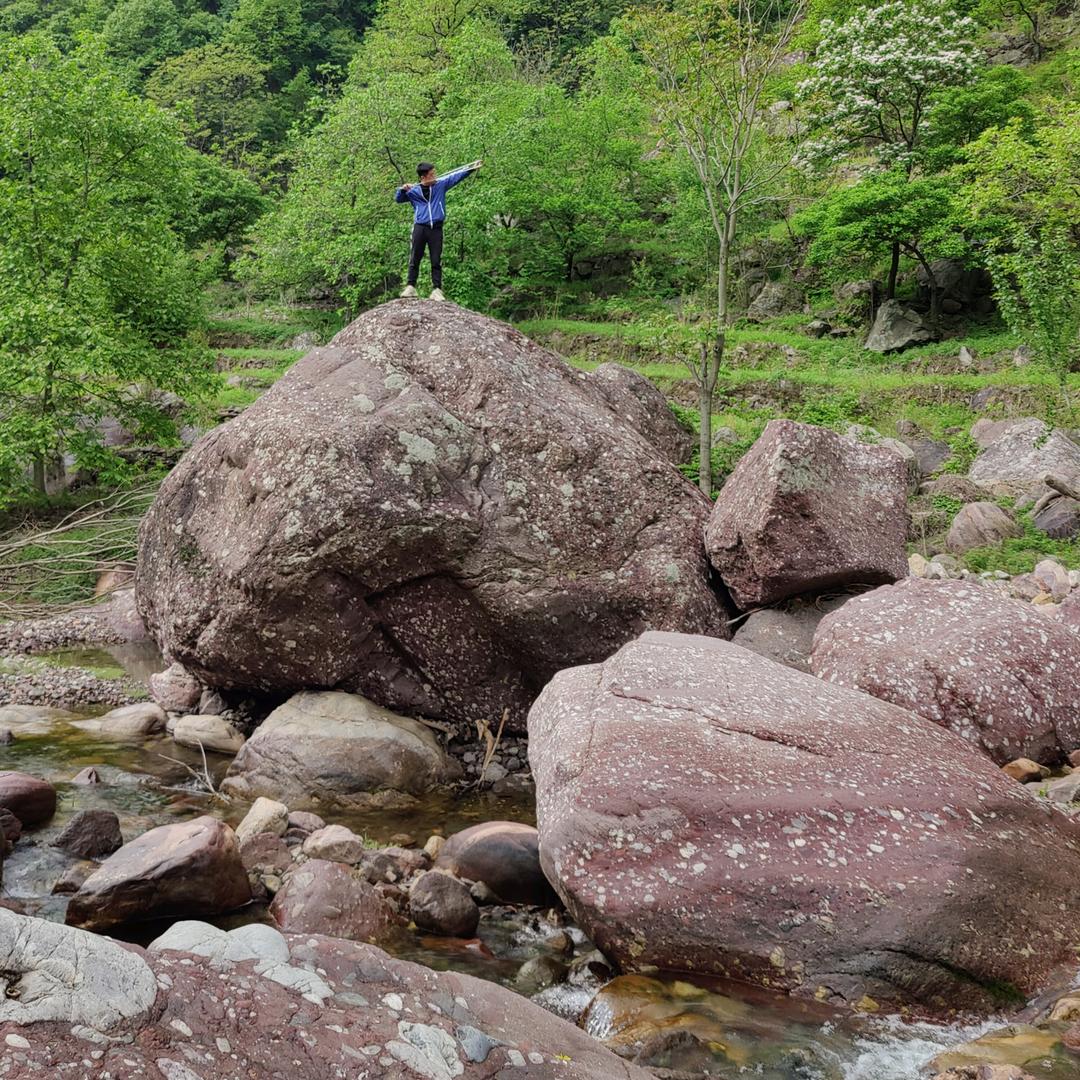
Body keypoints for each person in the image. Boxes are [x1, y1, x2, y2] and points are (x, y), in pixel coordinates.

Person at [394, 160, 482, 301]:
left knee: (436, 259)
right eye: (431, 174)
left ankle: (437, 289)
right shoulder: (414, 191)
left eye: (434, 173)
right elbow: (398, 199)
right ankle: (410, 287)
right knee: (415, 257)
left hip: (436, 228)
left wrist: (471, 168)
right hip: (420, 227)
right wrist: (403, 189)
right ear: (423, 177)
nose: (434, 176)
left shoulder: (441, 184)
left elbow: (456, 176)